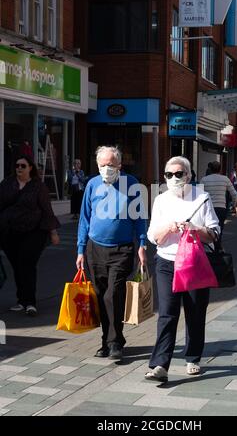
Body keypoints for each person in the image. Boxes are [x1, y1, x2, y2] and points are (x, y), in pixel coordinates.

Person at [145, 156, 220, 382]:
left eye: (179, 174)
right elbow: (153, 237)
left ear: (188, 175)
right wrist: (168, 228)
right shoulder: (160, 200)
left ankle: (193, 357)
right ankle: (160, 365)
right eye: (169, 174)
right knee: (167, 313)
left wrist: (194, 229)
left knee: (195, 312)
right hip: (167, 262)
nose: (174, 178)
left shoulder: (202, 198)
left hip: (195, 262)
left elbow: (215, 233)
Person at [76, 146, 147, 361]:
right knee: (100, 296)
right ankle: (106, 340)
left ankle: (116, 342)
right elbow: (84, 218)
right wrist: (80, 249)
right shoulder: (92, 184)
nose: (106, 168)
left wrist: (142, 245)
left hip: (122, 248)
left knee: (113, 295)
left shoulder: (131, 184)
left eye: (110, 165)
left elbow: (139, 219)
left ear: (119, 165)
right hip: (95, 248)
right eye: (102, 165)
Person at [0, 155, 60, 316]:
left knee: (27, 265)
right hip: (9, 233)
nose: (19, 168)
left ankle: (30, 303)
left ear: (30, 168)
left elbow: (47, 209)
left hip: (33, 232)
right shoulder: (7, 184)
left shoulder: (37, 186)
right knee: (17, 267)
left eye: (23, 166)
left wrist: (53, 232)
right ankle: (21, 300)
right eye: (17, 166)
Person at [201, 161, 237, 251]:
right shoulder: (225, 179)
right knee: (219, 229)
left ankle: (210, 248)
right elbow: (234, 194)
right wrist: (234, 205)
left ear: (210, 169)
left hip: (208, 208)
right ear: (220, 169)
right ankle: (217, 248)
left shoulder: (204, 179)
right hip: (221, 208)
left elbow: (198, 194)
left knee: (207, 229)